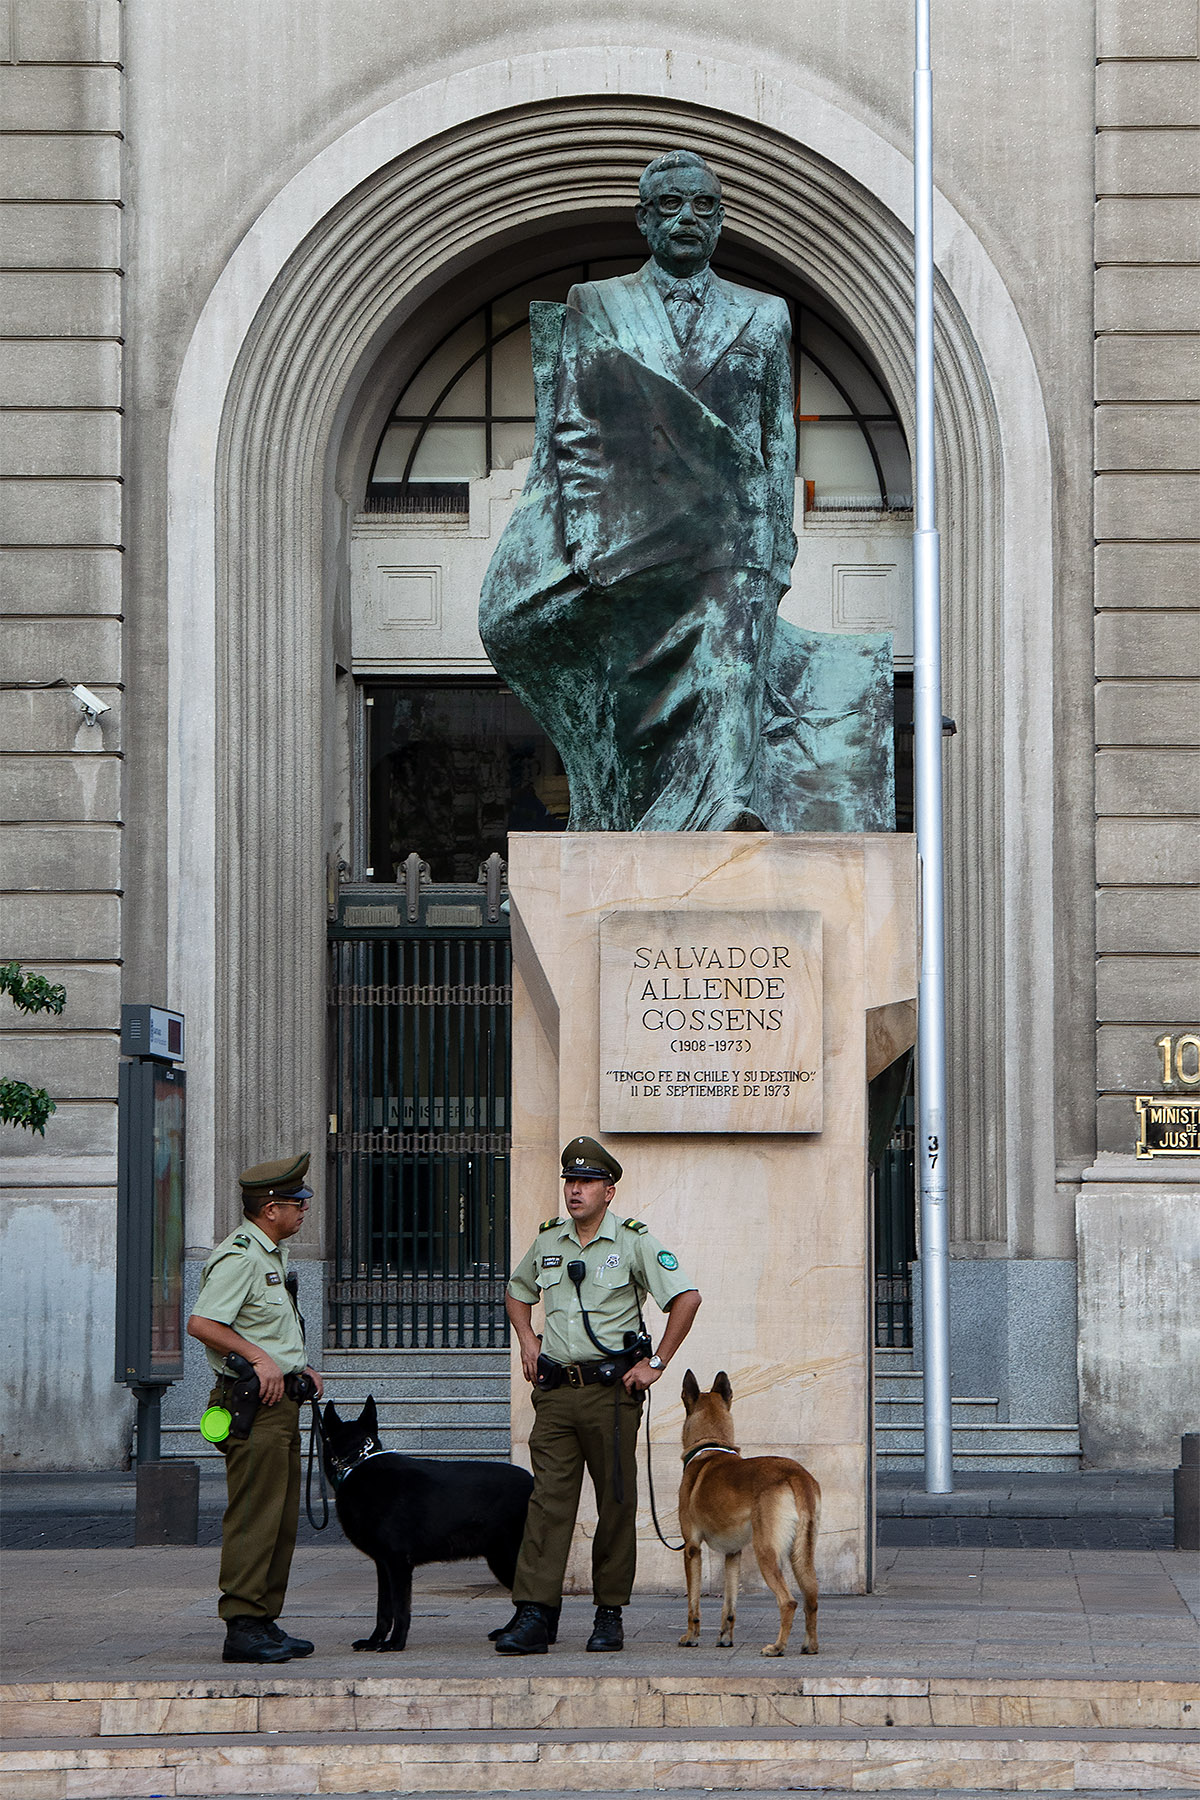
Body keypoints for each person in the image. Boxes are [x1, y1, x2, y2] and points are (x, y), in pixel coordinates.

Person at [492, 1135, 701, 1654]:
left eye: (586, 1182)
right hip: (556, 1393)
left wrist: (656, 1363)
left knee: (615, 1501)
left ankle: (609, 1613)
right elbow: (517, 1292)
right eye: (570, 1181)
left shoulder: (632, 1241)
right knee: (547, 1503)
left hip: (610, 1395)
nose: (575, 1190)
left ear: (609, 1191)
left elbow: (686, 1298)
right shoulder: (549, 1240)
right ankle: (535, 1613)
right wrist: (527, 1340)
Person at [186, 1151, 324, 1664]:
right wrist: (261, 1359)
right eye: (296, 1203)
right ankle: (242, 1625)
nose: (304, 1210)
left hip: (280, 1401)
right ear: (270, 1209)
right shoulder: (241, 1256)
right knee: (255, 1516)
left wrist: (297, 1366)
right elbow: (203, 1323)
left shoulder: (272, 1254)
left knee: (280, 1518)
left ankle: (263, 1619)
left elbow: (265, 1327)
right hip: (253, 1407)